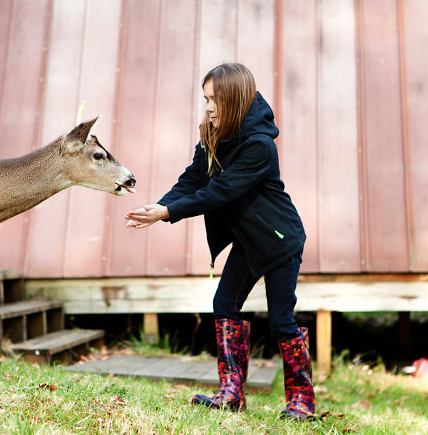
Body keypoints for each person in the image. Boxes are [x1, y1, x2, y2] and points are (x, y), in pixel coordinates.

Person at [125, 63, 314, 420]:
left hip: (279, 242)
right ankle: (231, 394)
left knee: (280, 321)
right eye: (206, 99)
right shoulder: (213, 134)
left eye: (215, 100)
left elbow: (220, 193)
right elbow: (194, 178)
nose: (209, 107)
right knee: (224, 304)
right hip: (248, 241)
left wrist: (168, 213)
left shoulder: (259, 146)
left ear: (236, 99)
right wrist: (162, 205)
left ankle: (301, 399)